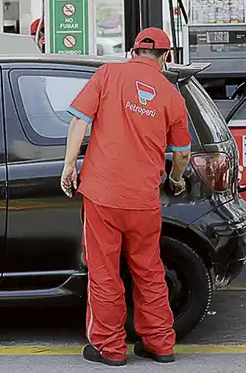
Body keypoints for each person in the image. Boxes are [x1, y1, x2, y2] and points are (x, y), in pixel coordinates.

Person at [61, 27, 192, 367]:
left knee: (104, 272)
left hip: (102, 195)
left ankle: (109, 348)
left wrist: (69, 167)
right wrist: (175, 181)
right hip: (144, 201)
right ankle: (160, 344)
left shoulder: (108, 74)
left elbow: (79, 121)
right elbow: (182, 154)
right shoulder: (171, 95)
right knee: (149, 270)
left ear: (132, 51)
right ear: (167, 56)